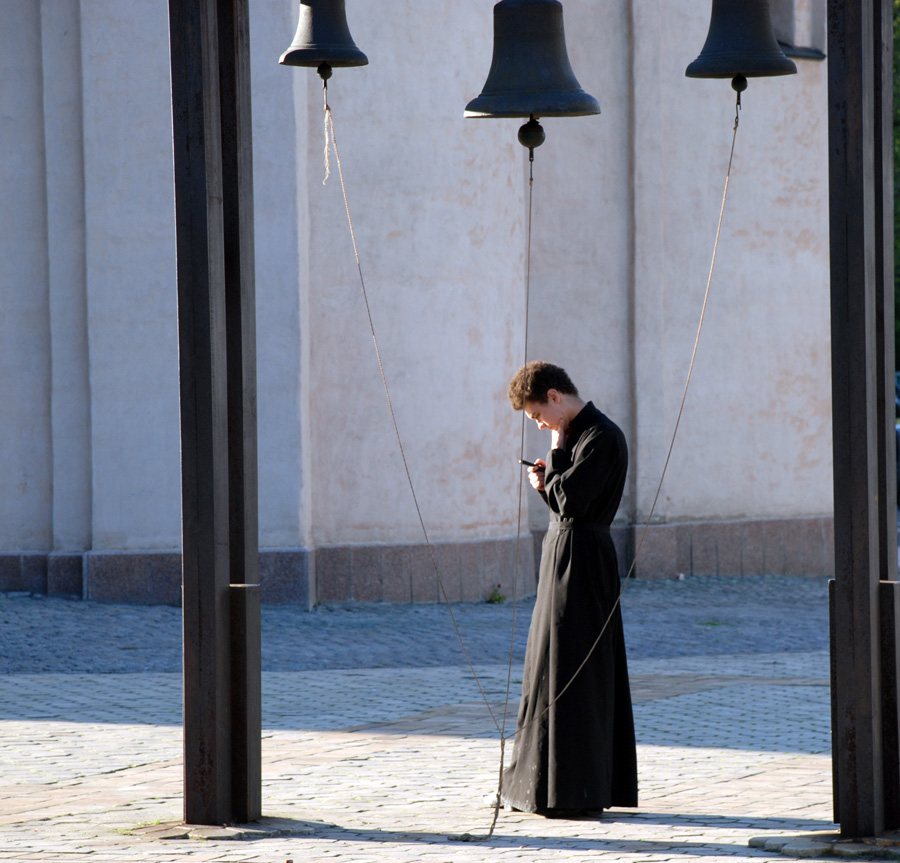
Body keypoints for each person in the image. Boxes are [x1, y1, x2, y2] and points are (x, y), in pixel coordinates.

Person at [500, 360, 637, 817]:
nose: (542, 425)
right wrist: (546, 484)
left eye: (540, 416)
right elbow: (562, 500)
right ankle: (537, 785)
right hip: (560, 552)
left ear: (555, 397)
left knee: (577, 666)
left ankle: (576, 787)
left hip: (586, 559)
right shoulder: (572, 434)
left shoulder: (601, 436)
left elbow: (575, 501)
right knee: (546, 666)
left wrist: (555, 457)